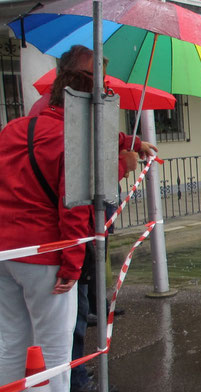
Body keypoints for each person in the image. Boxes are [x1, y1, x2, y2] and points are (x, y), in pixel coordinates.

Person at [0, 45, 143, 392]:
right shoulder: (71, 141)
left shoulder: (15, 129)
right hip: (47, 256)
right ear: (85, 95)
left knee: (10, 341)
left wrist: (131, 141)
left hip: (5, 254)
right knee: (55, 349)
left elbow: (100, 136)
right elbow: (75, 207)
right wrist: (71, 267)